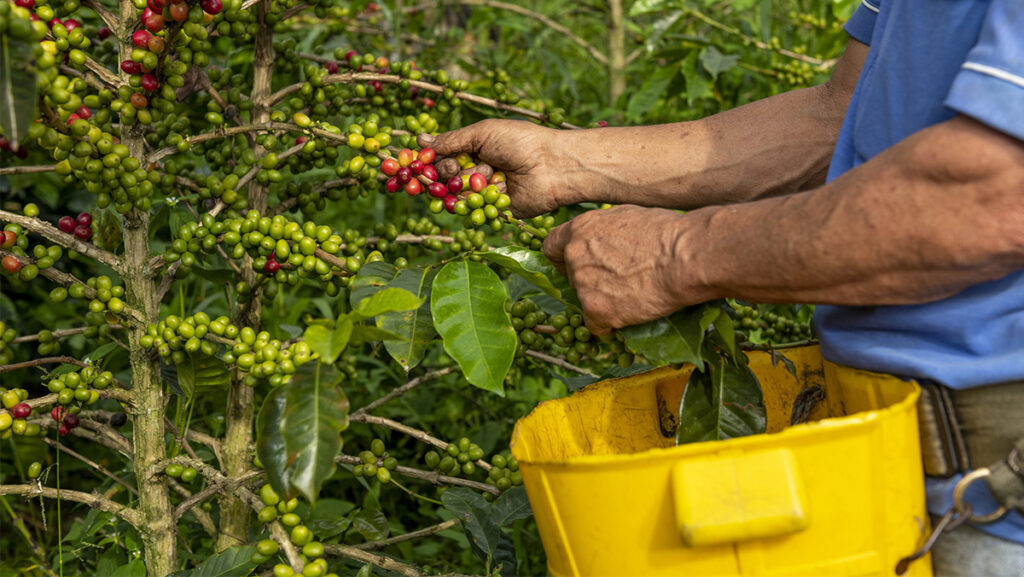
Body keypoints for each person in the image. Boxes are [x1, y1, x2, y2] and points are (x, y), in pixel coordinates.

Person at [419, 0, 1024, 574]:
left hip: (993, 494)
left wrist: (676, 256)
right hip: (878, 453)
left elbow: (993, 197)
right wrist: (559, 161)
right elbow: (844, 114)